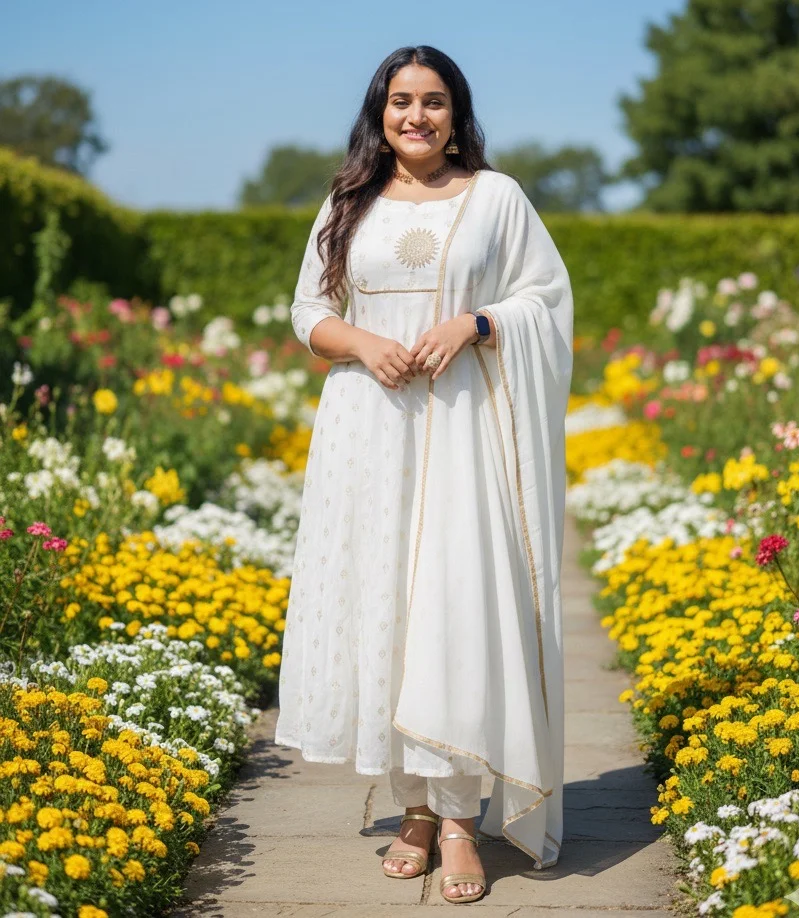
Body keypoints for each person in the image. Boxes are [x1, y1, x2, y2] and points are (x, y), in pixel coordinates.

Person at [275, 44, 573, 904]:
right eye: (401, 100)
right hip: (368, 430)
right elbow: (309, 310)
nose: (417, 116)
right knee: (387, 611)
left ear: (456, 114)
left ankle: (459, 819)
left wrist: (475, 323)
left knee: (457, 606)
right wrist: (364, 343)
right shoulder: (349, 201)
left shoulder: (496, 197)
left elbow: (546, 299)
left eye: (434, 101)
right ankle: (413, 809)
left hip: (464, 428)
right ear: (380, 112)